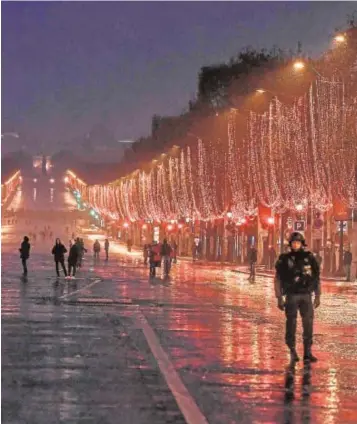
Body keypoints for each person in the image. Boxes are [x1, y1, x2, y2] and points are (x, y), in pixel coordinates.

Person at [274, 232, 321, 363]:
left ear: (302, 244)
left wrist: (318, 295)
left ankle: (307, 352)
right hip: (291, 295)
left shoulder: (309, 258)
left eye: (298, 242)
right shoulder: (284, 259)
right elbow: (277, 279)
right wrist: (279, 297)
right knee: (291, 323)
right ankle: (292, 350)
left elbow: (316, 277)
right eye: (293, 242)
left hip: (306, 295)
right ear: (290, 244)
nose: (295, 244)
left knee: (308, 324)